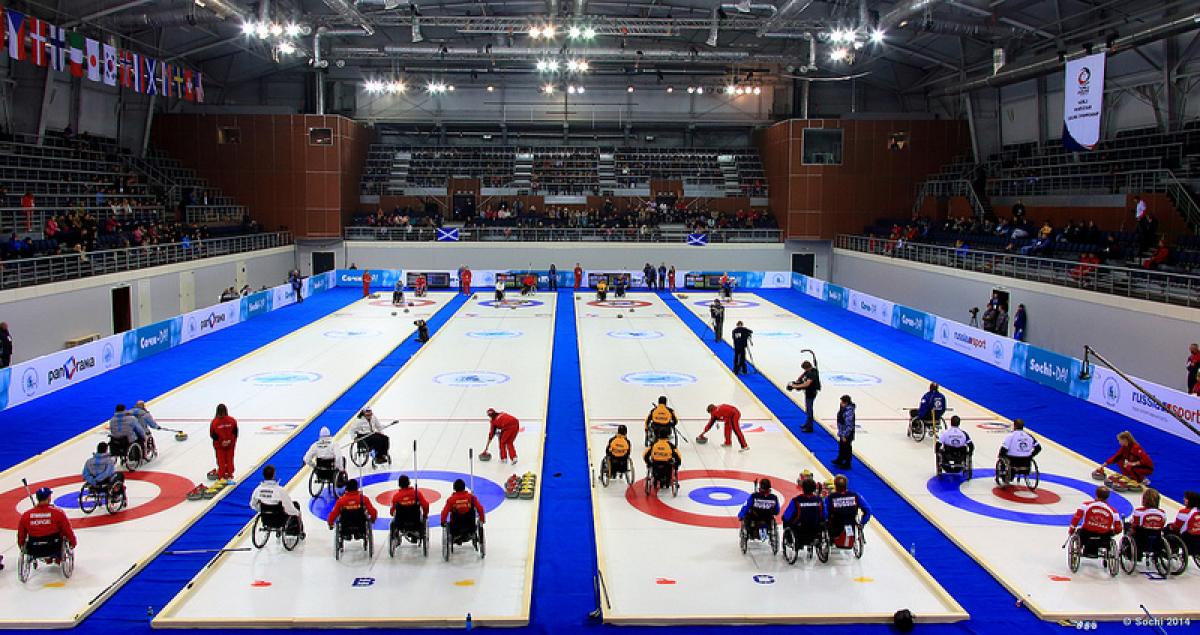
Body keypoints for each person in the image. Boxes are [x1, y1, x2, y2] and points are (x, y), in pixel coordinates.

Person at [17, 487, 77, 553]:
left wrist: (21, 545)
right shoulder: (58, 513)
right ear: (49, 498)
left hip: (34, 549)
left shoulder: (26, 515)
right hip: (55, 547)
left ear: (37, 498)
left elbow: (21, 534)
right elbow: (67, 530)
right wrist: (73, 542)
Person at [250, 465, 303, 536]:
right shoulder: (279, 490)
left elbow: (253, 504)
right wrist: (297, 513)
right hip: (280, 518)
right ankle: (297, 531)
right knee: (295, 505)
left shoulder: (257, 490)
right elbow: (289, 507)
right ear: (274, 475)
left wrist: (262, 510)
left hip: (265, 518)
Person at [1067, 486, 1122, 551]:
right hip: (1104, 537)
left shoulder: (1085, 505)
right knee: (1109, 534)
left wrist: (1072, 529)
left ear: (1096, 494)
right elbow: (1118, 528)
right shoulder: (1114, 511)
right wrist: (1114, 532)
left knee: (1079, 531)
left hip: (1086, 534)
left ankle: (1080, 546)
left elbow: (1076, 518)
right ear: (1108, 496)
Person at [825, 475, 872, 543]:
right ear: (846, 485)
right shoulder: (856, 496)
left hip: (834, 528)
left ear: (835, 486)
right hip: (851, 524)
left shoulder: (830, 497)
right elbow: (868, 510)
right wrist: (862, 523)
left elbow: (824, 512)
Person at [782, 477, 826, 546]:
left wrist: (784, 518)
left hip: (799, 528)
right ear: (814, 489)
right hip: (815, 527)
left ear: (803, 488)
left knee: (785, 519)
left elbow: (787, 516)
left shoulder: (796, 500)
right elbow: (824, 514)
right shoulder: (819, 500)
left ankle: (789, 540)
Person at [1127, 488, 1167, 556]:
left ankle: (1129, 550)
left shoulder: (1139, 511)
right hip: (1156, 538)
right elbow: (1162, 525)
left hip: (1140, 539)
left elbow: (1135, 525)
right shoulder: (1162, 513)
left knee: (1127, 526)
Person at [788, 361, 821, 433]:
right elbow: (802, 375)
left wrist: (795, 386)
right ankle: (807, 423)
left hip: (811, 393)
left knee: (809, 410)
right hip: (808, 392)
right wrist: (798, 380)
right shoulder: (810, 370)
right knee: (808, 409)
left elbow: (807, 384)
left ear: (807, 368)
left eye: (805, 369)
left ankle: (810, 427)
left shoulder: (812, 373)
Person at [210, 403, 238, 481]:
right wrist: (230, 441)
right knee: (229, 459)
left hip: (220, 445)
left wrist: (221, 442)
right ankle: (229, 474)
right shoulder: (232, 420)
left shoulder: (214, 422)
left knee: (221, 460)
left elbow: (212, 434)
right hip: (230, 444)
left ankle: (222, 476)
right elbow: (235, 432)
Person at [833, 395, 855, 469]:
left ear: (846, 403)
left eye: (842, 402)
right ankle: (840, 459)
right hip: (842, 431)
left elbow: (849, 425)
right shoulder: (843, 409)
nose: (841, 403)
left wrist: (845, 435)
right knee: (842, 446)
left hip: (847, 433)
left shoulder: (849, 412)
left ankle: (847, 463)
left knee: (847, 448)